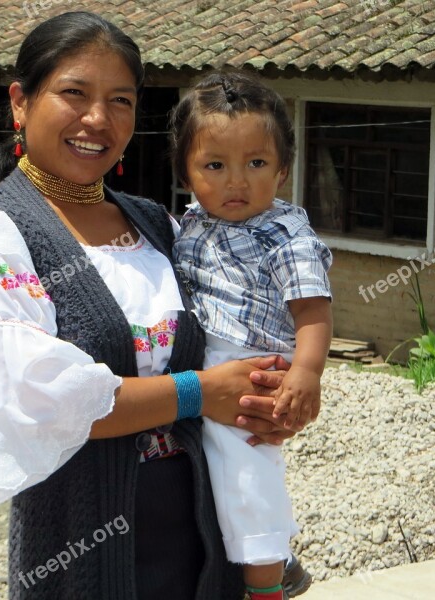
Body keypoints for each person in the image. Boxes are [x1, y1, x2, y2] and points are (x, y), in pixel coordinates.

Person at [0, 12, 300, 600]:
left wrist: (276, 399)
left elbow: (242, 333)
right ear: (21, 103)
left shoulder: (158, 225)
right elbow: (42, 403)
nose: (98, 120)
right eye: (74, 93)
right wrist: (202, 390)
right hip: (82, 547)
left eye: (121, 100)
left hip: (207, 540)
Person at [171, 71, 333, 600]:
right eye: (214, 166)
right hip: (203, 357)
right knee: (216, 472)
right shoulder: (190, 224)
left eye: (256, 164)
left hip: (255, 367)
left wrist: (306, 374)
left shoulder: (287, 237)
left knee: (247, 473)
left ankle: (265, 582)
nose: (235, 182)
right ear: (187, 173)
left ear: (283, 170)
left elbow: (312, 311)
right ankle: (279, 559)